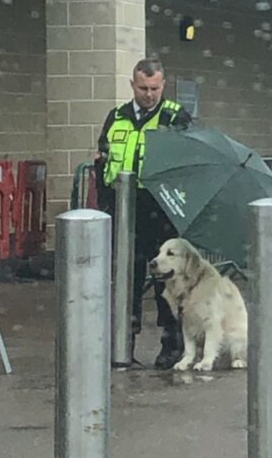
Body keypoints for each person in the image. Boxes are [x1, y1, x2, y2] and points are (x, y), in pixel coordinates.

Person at [95, 58, 192, 370]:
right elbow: (103, 159)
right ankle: (123, 343)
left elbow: (186, 163)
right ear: (132, 85)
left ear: (163, 85)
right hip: (125, 209)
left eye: (154, 88)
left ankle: (171, 344)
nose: (149, 94)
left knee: (168, 280)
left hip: (161, 209)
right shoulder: (117, 117)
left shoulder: (175, 117)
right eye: (143, 88)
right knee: (126, 278)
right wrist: (107, 204)